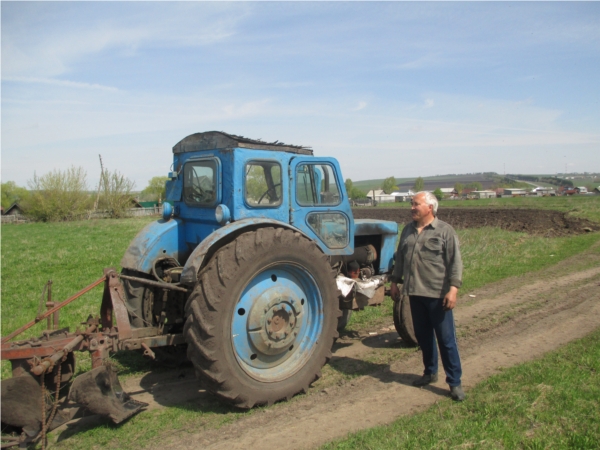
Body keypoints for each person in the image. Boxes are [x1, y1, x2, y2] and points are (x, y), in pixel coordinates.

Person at [389, 191, 465, 401]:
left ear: (429, 207)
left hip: (437, 295)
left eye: (416, 204)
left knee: (446, 340)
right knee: (423, 337)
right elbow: (401, 259)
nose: (412, 208)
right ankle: (430, 372)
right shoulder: (408, 231)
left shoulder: (444, 231)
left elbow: (455, 263)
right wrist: (395, 282)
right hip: (414, 293)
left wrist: (453, 289)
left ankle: (454, 383)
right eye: (412, 204)